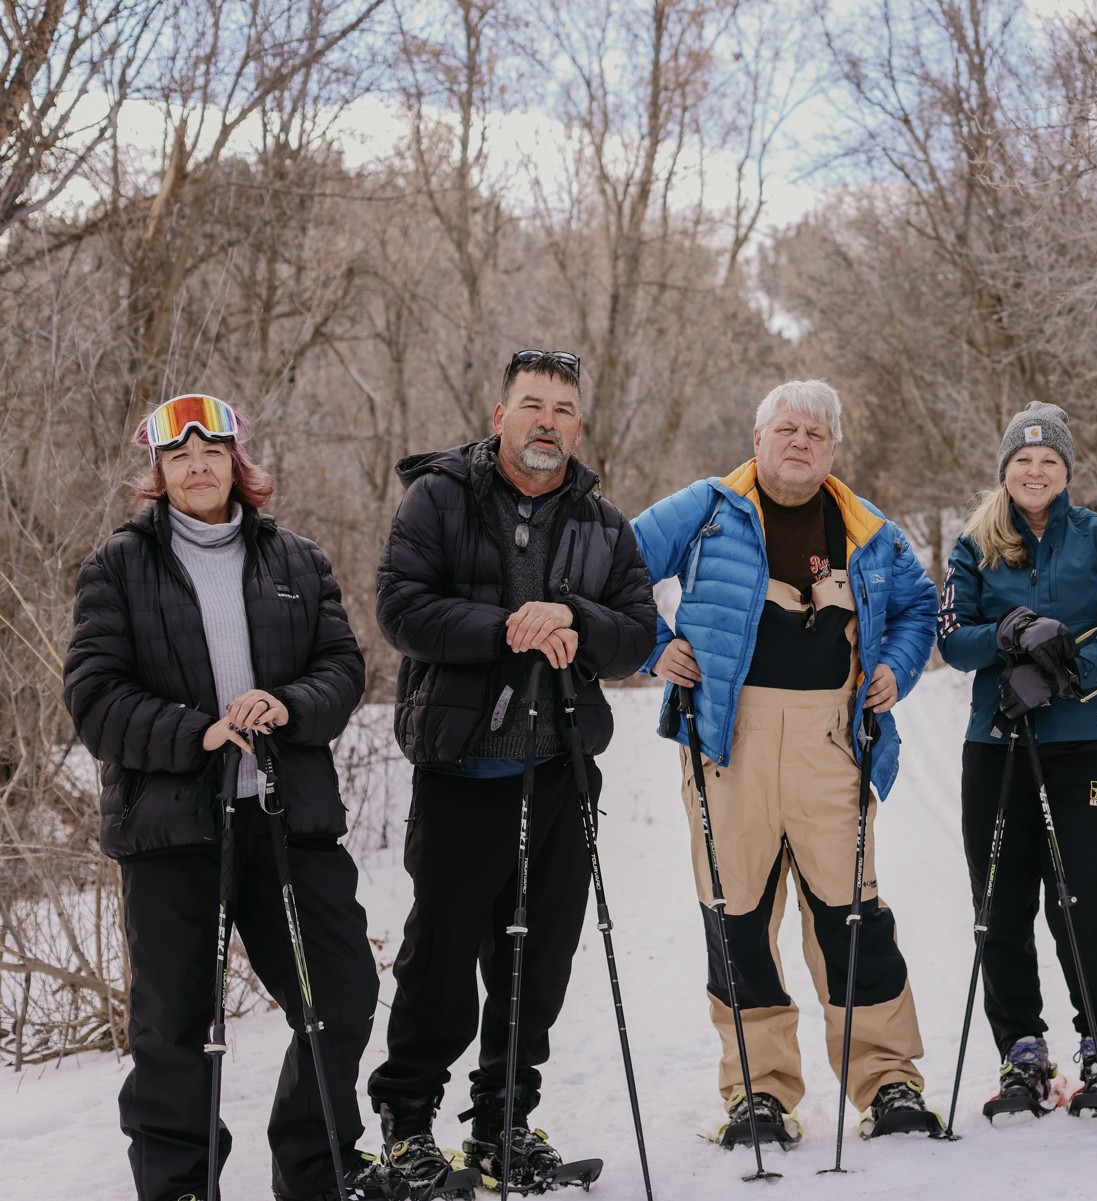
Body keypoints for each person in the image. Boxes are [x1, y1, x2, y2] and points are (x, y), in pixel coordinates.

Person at [64, 394, 382, 1201]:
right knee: (173, 1031)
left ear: (238, 464)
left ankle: (316, 1174)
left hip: (287, 821)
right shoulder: (118, 566)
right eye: (179, 456)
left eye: (212, 452)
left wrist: (287, 704)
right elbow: (96, 699)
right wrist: (196, 732)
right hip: (172, 832)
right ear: (159, 473)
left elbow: (343, 669)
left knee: (338, 995)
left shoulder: (297, 561)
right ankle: (180, 1187)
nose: (198, 465)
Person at [363, 350, 656, 1194]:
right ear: (500, 416)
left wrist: (572, 615)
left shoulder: (602, 522)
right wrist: (509, 628)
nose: (548, 421)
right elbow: (401, 610)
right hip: (462, 772)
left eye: (564, 408)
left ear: (577, 424)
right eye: (533, 404)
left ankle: (501, 1126)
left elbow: (637, 632)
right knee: (441, 963)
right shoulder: (438, 497)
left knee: (538, 964)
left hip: (559, 771)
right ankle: (407, 1130)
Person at [631, 379, 941, 1145]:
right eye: (786, 429)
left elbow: (919, 606)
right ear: (759, 436)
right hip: (726, 746)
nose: (799, 442)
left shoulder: (867, 528)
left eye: (815, 432)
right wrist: (651, 646)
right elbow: (613, 565)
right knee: (736, 921)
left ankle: (889, 1081)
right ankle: (758, 1092)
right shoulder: (706, 507)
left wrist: (898, 666)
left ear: (832, 449)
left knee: (852, 915)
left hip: (831, 744)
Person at [936, 401, 1097, 1118]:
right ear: (1005, 469)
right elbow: (954, 640)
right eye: (1023, 460)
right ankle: (1022, 1048)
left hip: (1088, 740)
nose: (1036, 471)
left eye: (1050, 461)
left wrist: (1068, 668)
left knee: (1083, 897)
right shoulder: (974, 542)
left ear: (1066, 471)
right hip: (998, 744)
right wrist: (1008, 633)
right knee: (1001, 902)